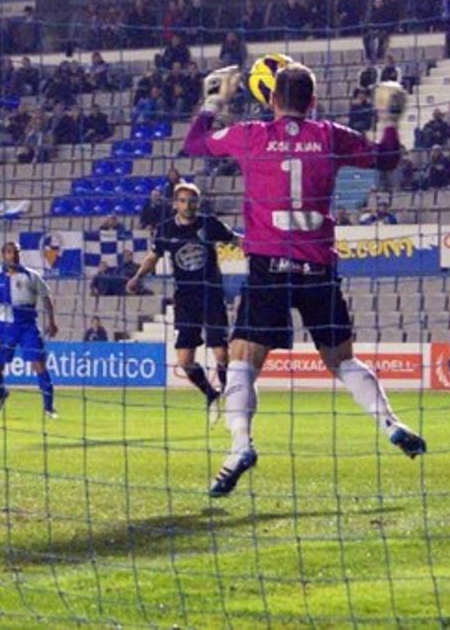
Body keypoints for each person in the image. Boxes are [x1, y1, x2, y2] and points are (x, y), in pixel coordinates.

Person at [182, 61, 426, 498]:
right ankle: (391, 424)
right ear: (312, 102)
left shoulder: (251, 135)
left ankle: (240, 447)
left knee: (242, 361)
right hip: (317, 267)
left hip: (269, 267)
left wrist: (215, 100)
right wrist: (389, 118)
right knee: (343, 361)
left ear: (271, 99)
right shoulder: (329, 135)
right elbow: (386, 159)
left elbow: (194, 144)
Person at [127, 183, 237, 423]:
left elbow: (235, 241)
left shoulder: (209, 224)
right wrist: (138, 277)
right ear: (175, 204)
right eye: (184, 201)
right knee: (185, 361)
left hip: (211, 294)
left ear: (198, 202)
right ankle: (211, 395)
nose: (188, 205)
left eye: (193, 200)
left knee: (221, 353)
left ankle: (232, 400)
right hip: (185, 299)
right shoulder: (165, 229)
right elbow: (152, 257)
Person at [0, 241, 59, 418]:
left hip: (27, 326)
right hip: (3, 329)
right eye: (11, 252)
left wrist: (52, 321)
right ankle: (2, 392)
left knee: (38, 364)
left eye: (17, 252)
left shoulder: (31, 276)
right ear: (4, 254)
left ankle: (49, 407)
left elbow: (46, 298)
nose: (15, 256)